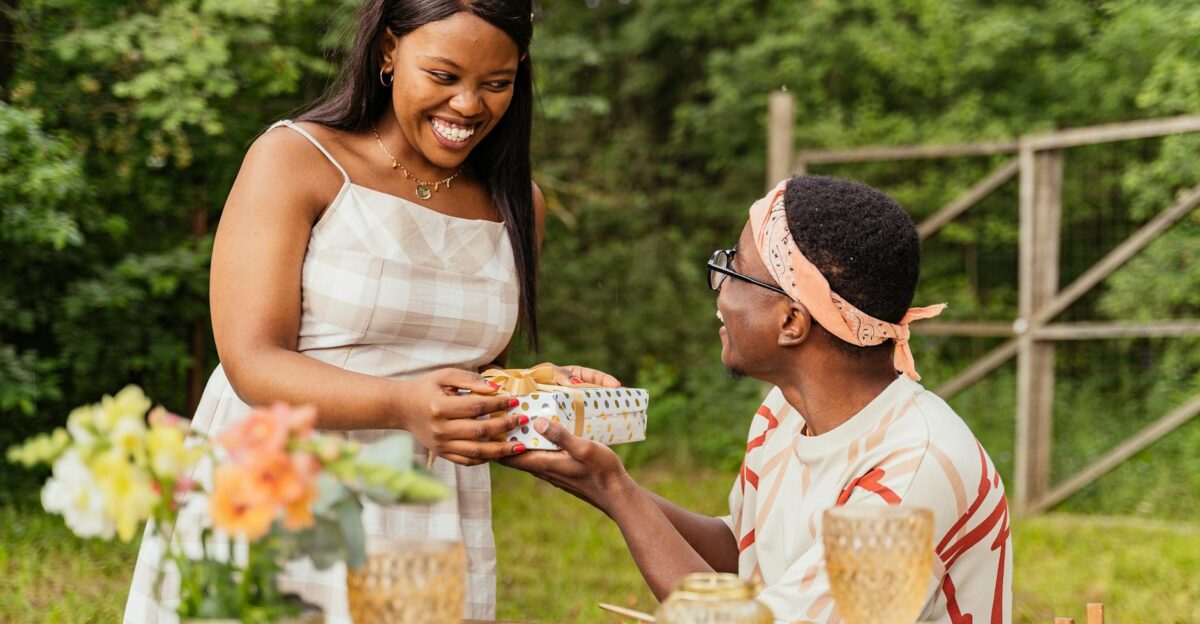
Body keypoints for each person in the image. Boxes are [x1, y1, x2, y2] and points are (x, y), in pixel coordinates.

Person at [124, 1, 617, 621]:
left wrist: (535, 391)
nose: (469, 106)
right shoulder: (298, 159)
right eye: (444, 76)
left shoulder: (517, 203)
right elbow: (251, 360)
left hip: (421, 511)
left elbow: (469, 377)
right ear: (388, 51)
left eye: (497, 83)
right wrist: (402, 405)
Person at [504, 175, 1012, 624]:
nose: (720, 290)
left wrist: (616, 491)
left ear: (792, 321)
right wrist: (602, 485)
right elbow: (741, 552)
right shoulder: (783, 413)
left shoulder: (912, 474)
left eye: (735, 269)